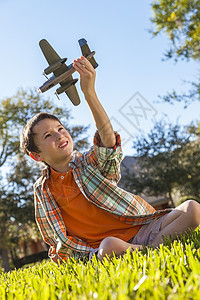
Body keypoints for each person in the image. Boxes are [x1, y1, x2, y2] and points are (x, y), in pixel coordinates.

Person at [20, 56, 200, 264]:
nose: (59, 135)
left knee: (193, 209)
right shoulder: (43, 190)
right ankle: (153, 251)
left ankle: (146, 252)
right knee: (109, 246)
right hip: (107, 247)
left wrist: (89, 93)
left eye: (60, 129)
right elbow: (55, 239)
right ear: (37, 155)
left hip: (144, 229)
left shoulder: (88, 164)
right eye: (47, 136)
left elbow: (108, 141)